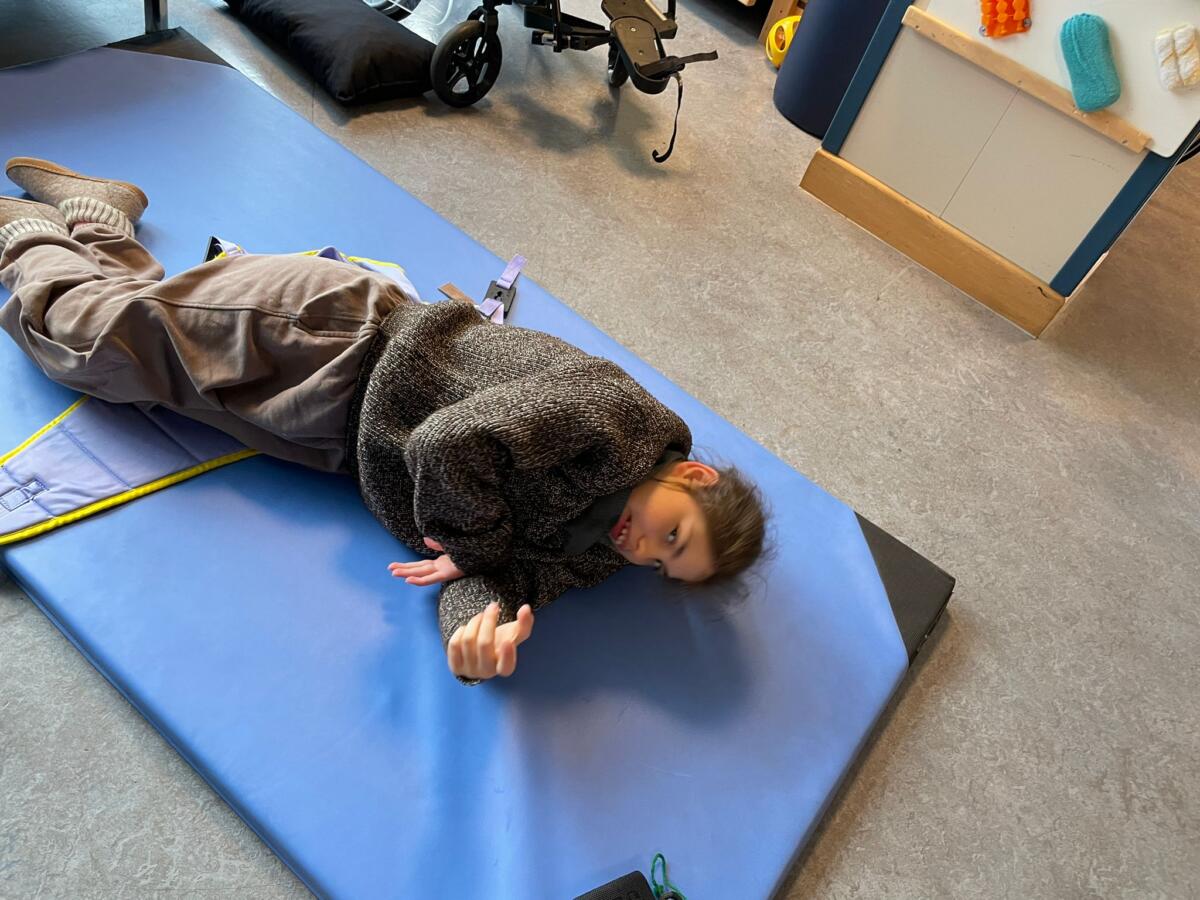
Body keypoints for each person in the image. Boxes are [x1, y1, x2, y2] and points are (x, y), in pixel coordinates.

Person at [0, 157, 767, 683]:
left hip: (335, 438)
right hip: (340, 340)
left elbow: (495, 577)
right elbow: (449, 442)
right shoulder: (615, 416)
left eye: (662, 567)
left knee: (137, 365)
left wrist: (475, 633)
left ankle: (99, 217)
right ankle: (26, 235)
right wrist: (475, 551)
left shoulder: (597, 554)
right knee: (81, 341)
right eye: (674, 535)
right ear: (694, 476)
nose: (644, 551)